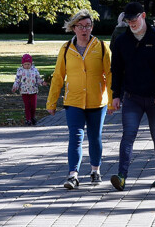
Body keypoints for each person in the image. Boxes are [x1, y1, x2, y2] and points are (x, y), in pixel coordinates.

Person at [109, 2, 155, 191]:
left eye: (134, 19)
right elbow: (117, 70)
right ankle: (121, 176)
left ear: (143, 16)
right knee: (128, 135)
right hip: (132, 97)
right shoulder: (122, 41)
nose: (132, 23)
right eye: (128, 20)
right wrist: (116, 95)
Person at [46, 10, 113, 190]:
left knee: (94, 137)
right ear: (73, 28)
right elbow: (58, 76)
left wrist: (112, 99)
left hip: (97, 101)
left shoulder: (101, 47)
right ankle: (73, 175)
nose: (85, 30)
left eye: (88, 26)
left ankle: (95, 170)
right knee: (75, 137)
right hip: (73, 101)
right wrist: (51, 102)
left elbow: (110, 74)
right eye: (81, 26)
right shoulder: (66, 48)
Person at [12, 53, 46, 126]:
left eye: (28, 64)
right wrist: (15, 86)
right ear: (22, 64)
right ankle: (28, 119)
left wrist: (42, 83)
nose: (27, 66)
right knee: (27, 105)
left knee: (33, 105)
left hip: (33, 90)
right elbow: (17, 80)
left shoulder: (34, 70)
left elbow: (38, 79)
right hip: (24, 91)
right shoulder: (20, 70)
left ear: (31, 63)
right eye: (25, 64)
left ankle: (33, 117)